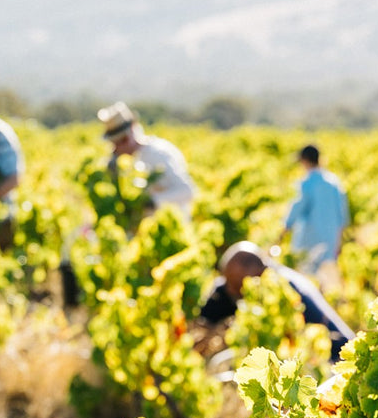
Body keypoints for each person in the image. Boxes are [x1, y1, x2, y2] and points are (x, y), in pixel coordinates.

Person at [197, 241, 354, 363]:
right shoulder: (273, 274)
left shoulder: (283, 291)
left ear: (254, 277)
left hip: (337, 360)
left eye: (237, 286)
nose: (232, 292)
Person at [96, 101, 197, 218]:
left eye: (117, 143)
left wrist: (153, 201)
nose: (114, 149)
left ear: (128, 138)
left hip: (173, 226)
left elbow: (187, 191)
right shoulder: (128, 161)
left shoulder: (159, 154)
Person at [282, 144, 349, 289]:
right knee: (325, 283)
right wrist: (339, 241)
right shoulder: (334, 182)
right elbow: (342, 216)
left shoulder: (306, 183)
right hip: (330, 240)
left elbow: (295, 210)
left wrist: (283, 231)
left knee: (307, 282)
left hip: (309, 241)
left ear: (305, 161)